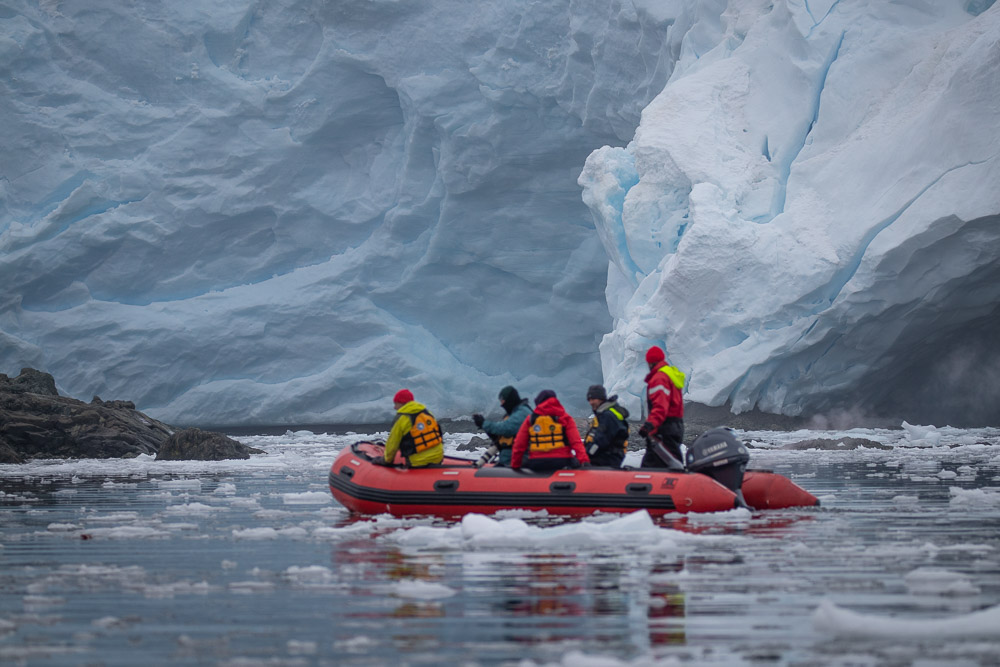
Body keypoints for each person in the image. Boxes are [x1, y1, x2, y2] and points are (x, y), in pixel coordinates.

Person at [511, 390, 590, 472]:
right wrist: (584, 461)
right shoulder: (565, 418)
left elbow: (519, 444)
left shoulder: (530, 420)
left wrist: (515, 466)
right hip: (562, 461)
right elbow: (576, 443)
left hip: (536, 462)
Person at [638, 346, 685, 468]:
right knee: (670, 461)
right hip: (675, 425)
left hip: (664, 428)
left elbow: (660, 406)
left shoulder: (659, 378)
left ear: (650, 362)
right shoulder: (670, 375)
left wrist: (650, 425)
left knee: (654, 464)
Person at [380, 389, 444, 467]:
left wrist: (386, 460)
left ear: (402, 403)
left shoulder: (402, 418)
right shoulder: (427, 413)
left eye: (396, 404)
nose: (395, 407)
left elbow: (393, 443)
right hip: (438, 457)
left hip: (419, 462)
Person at [472, 385, 532, 467]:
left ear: (510, 400)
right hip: (508, 460)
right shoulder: (515, 412)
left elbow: (506, 428)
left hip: (517, 462)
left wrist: (484, 424)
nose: (502, 405)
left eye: (503, 401)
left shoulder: (522, 413)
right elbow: (499, 440)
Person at [582, 384, 629, 468]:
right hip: (610, 456)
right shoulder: (606, 413)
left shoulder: (607, 416)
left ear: (601, 399)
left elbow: (600, 440)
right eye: (589, 400)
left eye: (593, 399)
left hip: (608, 458)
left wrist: (587, 455)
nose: (591, 402)